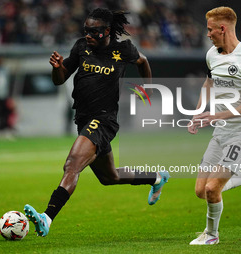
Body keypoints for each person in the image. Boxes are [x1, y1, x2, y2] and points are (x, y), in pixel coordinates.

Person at [24, 8, 170, 237]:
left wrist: (147, 88)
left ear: (107, 31)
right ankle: (157, 177)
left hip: (104, 119)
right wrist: (56, 68)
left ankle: (47, 217)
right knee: (109, 177)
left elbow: (143, 61)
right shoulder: (81, 47)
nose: (88, 34)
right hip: (83, 119)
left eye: (94, 31)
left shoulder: (123, 50)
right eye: (86, 30)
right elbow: (60, 79)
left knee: (72, 164)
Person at [188, 6, 241, 245]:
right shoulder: (212, 54)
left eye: (210, 29)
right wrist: (200, 112)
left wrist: (216, 115)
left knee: (213, 189)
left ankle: (211, 236)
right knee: (201, 191)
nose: (208, 34)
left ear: (222, 28)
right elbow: (208, 83)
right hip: (222, 131)